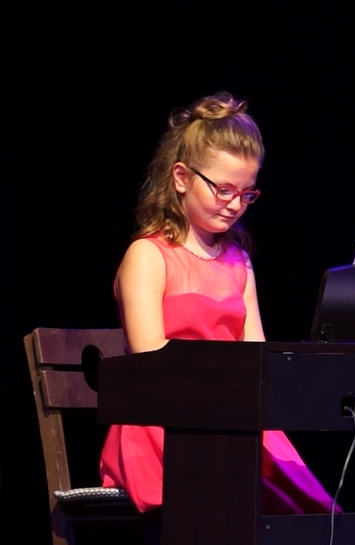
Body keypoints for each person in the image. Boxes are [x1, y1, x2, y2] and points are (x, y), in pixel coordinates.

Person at [100, 92, 338, 515]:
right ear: (180, 177)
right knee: (229, 498)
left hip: (232, 419)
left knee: (312, 512)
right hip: (165, 421)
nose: (234, 204)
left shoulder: (238, 261)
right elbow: (149, 361)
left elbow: (256, 355)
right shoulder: (149, 256)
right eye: (223, 189)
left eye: (246, 194)